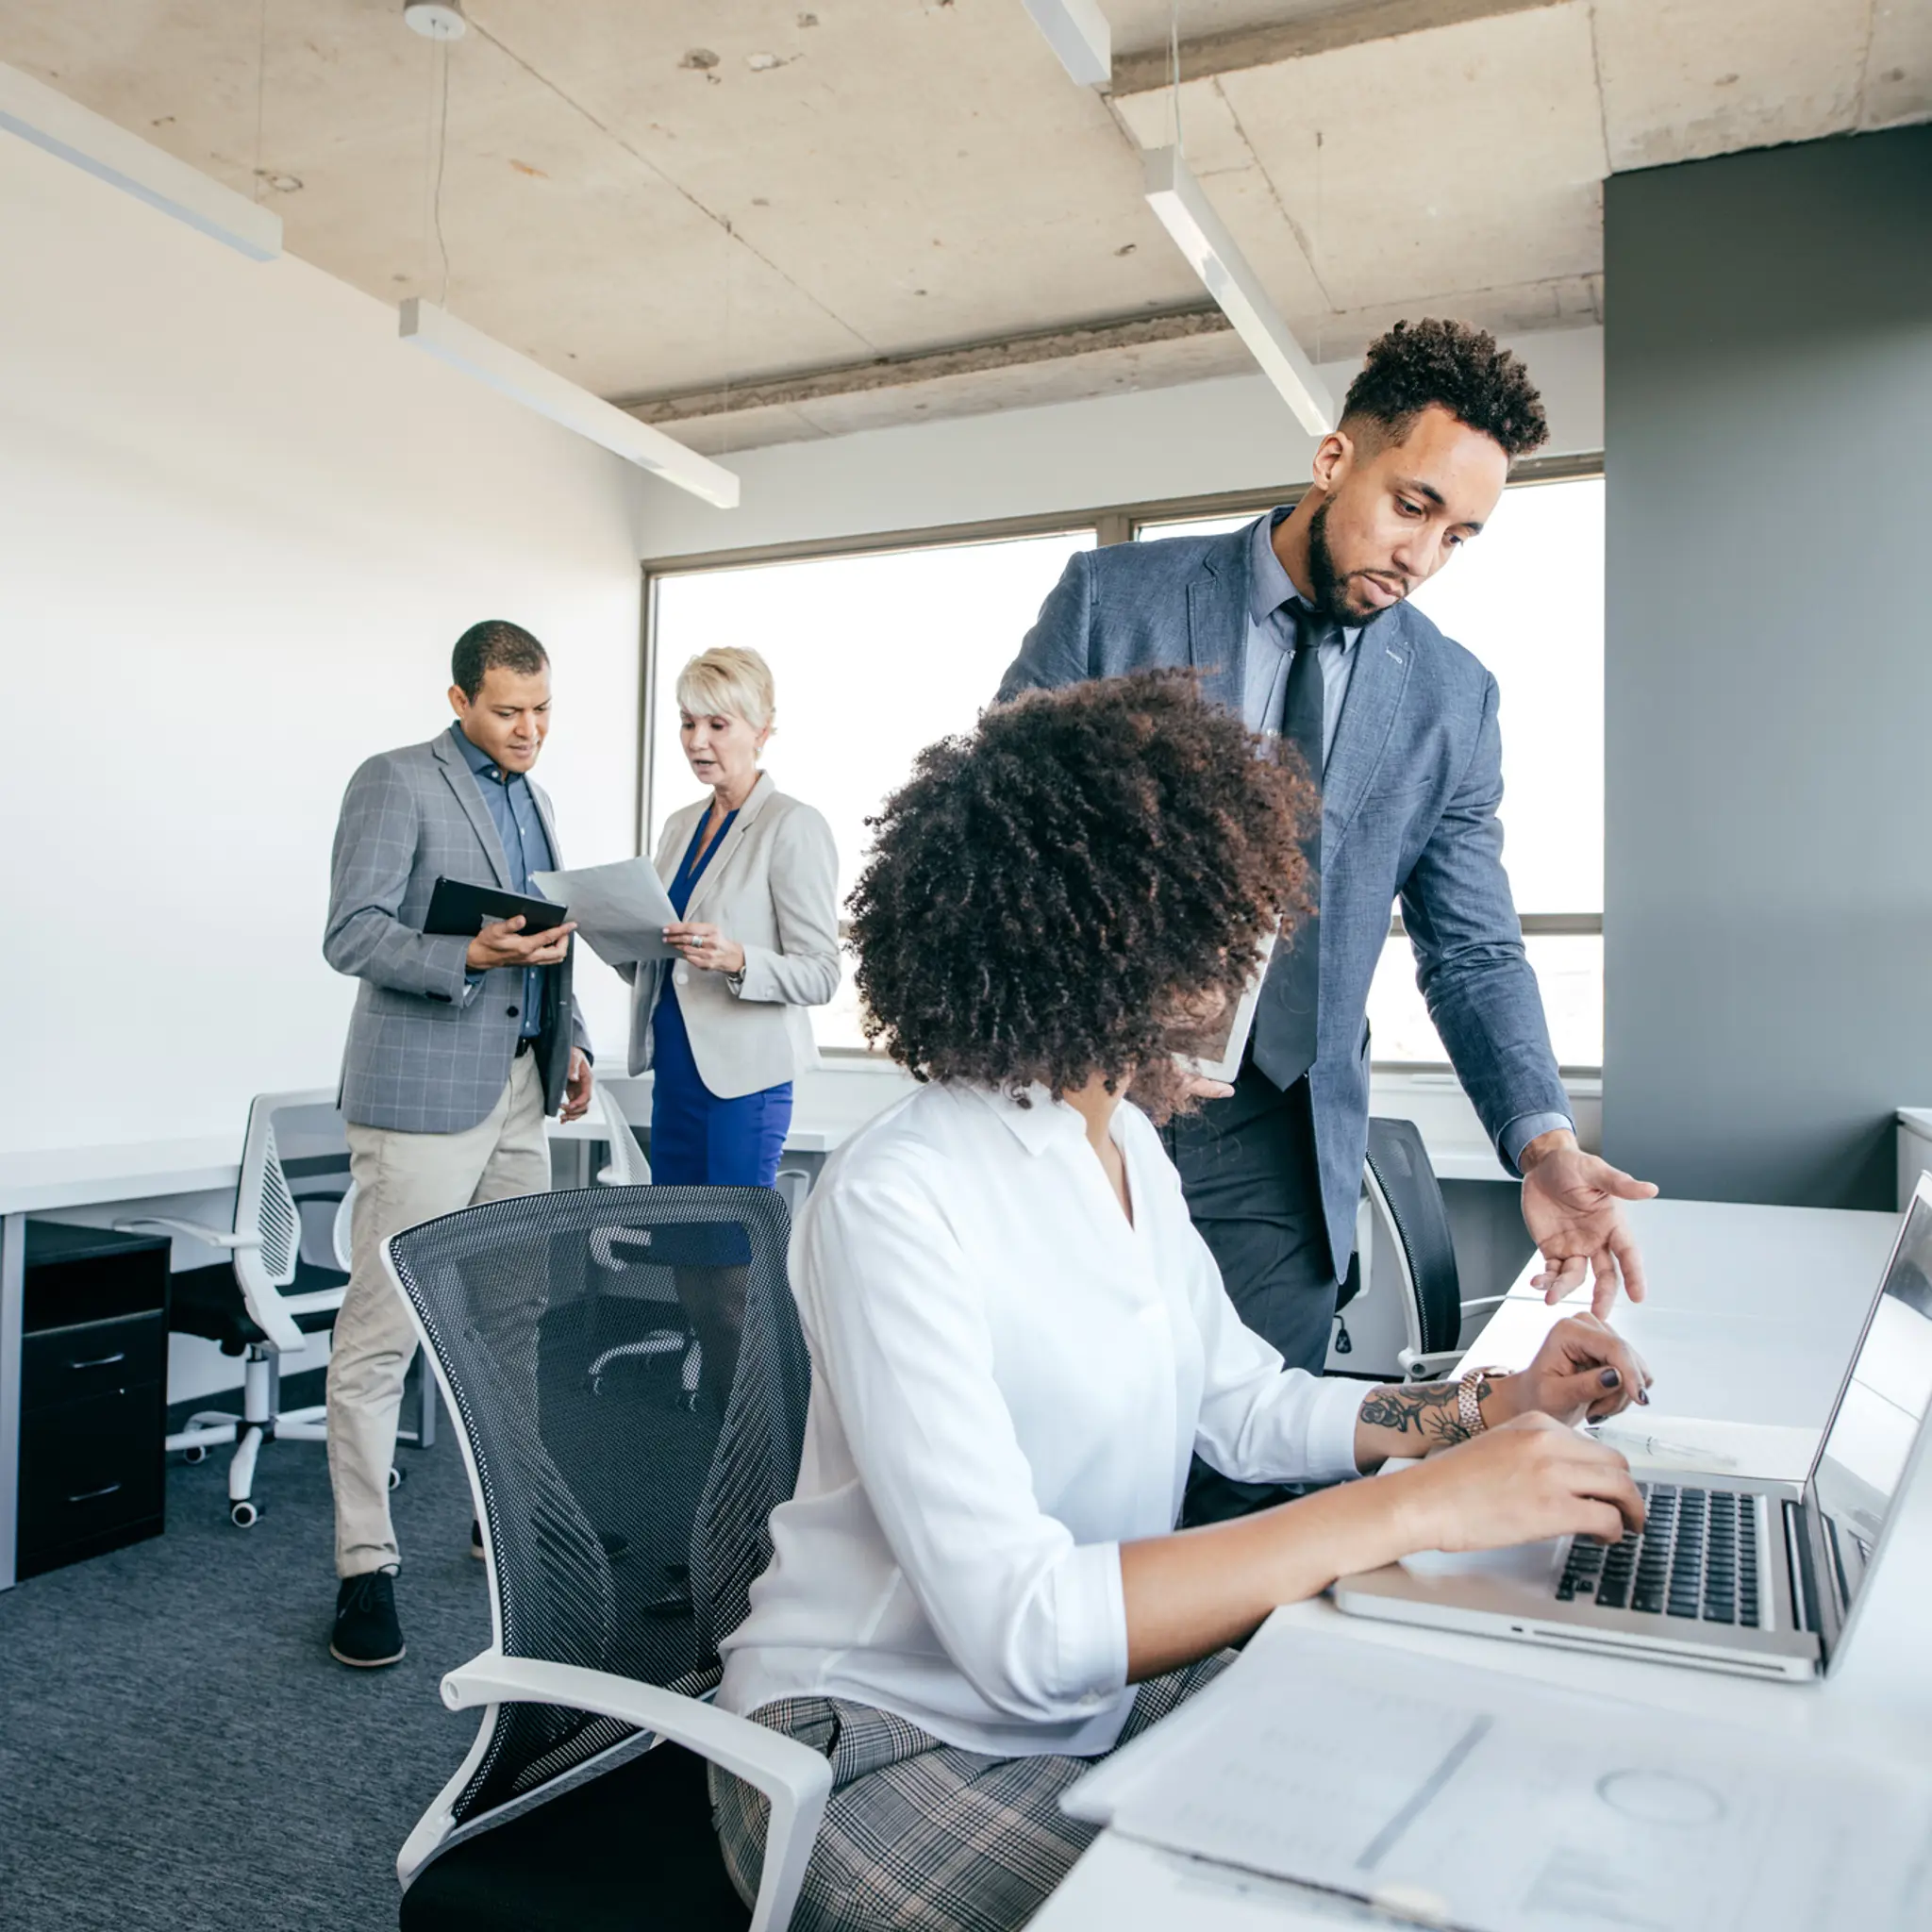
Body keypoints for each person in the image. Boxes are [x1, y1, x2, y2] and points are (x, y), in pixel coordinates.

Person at [709, 674, 1650, 1932]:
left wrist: (1489, 1407)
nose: (1242, 969)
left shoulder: (1128, 1152)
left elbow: (1245, 1407)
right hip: (873, 1740)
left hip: (1090, 1701)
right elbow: (1025, 1632)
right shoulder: (900, 1193)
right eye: (1221, 932)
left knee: (1433, 1815)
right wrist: (1416, 1503)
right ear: (1096, 938)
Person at [999, 318, 1657, 1522]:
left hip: (1278, 1131)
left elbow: (1472, 943)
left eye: (1458, 535)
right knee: (1064, 1460)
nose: (1423, 555)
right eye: (1410, 506)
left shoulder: (1451, 698)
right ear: (1331, 459)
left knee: (1243, 1462)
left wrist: (1541, 1137)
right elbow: (999, 833)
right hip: (1083, 1099)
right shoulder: (1117, 602)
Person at [321, 620, 592, 1668]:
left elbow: (545, 940)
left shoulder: (536, 800)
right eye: (507, 710)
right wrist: (463, 952)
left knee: (516, 1319)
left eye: (541, 710)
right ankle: (363, 1566)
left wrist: (566, 1039)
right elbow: (352, 931)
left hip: (519, 1090)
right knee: (382, 1333)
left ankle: (502, 1520)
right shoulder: (393, 781)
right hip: (421, 1100)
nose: (528, 730)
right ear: (458, 700)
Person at [626, 646, 840, 1404]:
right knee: (688, 1269)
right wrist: (621, 939)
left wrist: (739, 957)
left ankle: (754, 1456)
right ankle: (710, 1447)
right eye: (687, 723)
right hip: (678, 1074)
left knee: (732, 1282)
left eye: (718, 723)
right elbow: (669, 959)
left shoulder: (793, 827)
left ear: (763, 730)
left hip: (744, 1084)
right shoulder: (681, 826)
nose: (697, 741)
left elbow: (820, 971)